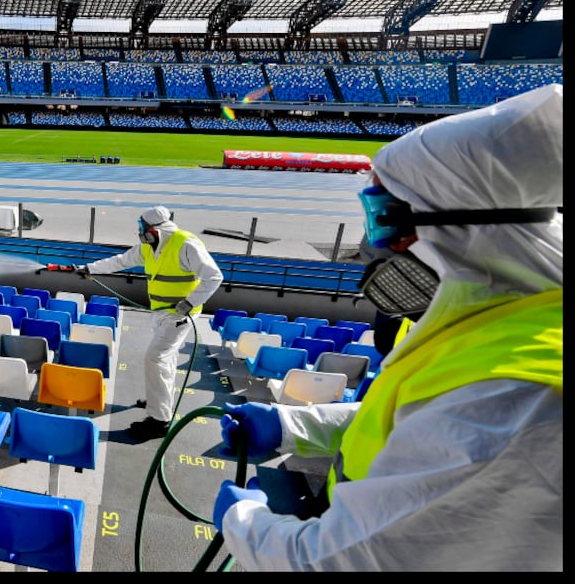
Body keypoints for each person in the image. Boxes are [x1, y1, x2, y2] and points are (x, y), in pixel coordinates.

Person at [210, 83, 563, 570]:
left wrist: (244, 522)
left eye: (382, 218)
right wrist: (293, 424)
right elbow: (425, 427)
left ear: (458, 225)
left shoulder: (520, 397)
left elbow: (343, 562)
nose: (370, 245)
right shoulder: (500, 322)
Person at [76, 205, 222, 441]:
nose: (139, 232)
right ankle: (159, 401)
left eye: (142, 228)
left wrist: (189, 302)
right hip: (160, 313)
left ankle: (159, 421)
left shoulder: (186, 244)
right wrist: (89, 268)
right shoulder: (148, 247)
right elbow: (121, 261)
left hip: (180, 315)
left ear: (155, 229)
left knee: (155, 357)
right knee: (167, 359)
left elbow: (214, 276)